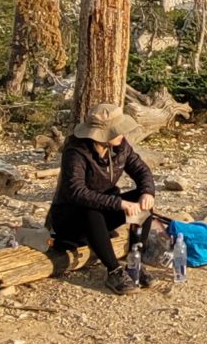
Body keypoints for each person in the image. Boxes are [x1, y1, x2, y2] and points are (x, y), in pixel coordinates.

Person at [47, 102, 157, 294]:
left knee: (142, 202)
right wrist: (120, 203)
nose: (122, 134)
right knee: (90, 210)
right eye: (117, 130)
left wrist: (147, 192)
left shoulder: (120, 147)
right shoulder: (76, 152)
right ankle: (114, 270)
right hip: (70, 220)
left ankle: (134, 262)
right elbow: (76, 192)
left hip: (103, 211)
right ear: (102, 135)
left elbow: (141, 170)